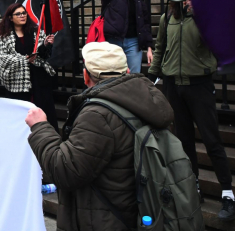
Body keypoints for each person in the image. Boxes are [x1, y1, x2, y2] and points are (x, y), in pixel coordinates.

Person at [26, 42, 173, 230]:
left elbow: (65, 170)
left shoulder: (97, 116)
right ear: (127, 71)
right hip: (132, 211)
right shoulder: (147, 101)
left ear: (86, 76)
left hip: (102, 219)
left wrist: (40, 127)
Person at [150, 0, 234, 219]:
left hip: (199, 86)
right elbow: (160, 47)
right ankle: (193, 186)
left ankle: (227, 193)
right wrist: (152, 75)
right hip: (173, 86)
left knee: (211, 140)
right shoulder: (167, 18)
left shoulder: (206, 18)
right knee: (184, 139)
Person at [0, 3, 58, 130]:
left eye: (24, 13)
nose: (22, 16)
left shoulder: (36, 32)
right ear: (10, 18)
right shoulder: (5, 37)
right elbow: (3, 59)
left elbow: (44, 54)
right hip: (18, 83)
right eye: (18, 14)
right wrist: (24, 60)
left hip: (39, 79)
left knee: (43, 111)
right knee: (22, 116)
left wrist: (45, 45)